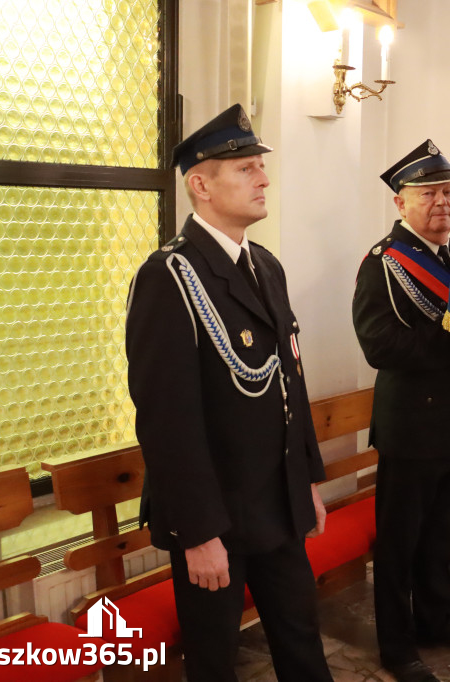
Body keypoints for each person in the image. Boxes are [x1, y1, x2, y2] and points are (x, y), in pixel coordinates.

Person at [125, 104, 333, 681]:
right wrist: (197, 535)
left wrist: (307, 482)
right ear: (200, 184)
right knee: (215, 662)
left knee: (302, 644)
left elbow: (291, 380)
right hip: (214, 518)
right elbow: (167, 421)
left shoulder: (265, 265)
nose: (263, 178)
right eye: (244, 168)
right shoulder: (169, 278)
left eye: (259, 167)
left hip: (278, 505)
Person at [352, 140, 450, 682]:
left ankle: (436, 620)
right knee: (401, 544)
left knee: (442, 535)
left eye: (448, 192)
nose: (442, 203)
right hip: (412, 427)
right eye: (428, 193)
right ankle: (396, 645)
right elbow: (379, 345)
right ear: (400, 203)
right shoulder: (384, 262)